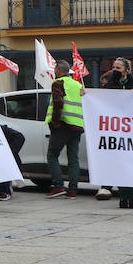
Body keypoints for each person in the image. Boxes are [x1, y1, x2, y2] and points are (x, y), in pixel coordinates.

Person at [96, 57, 133, 207]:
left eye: (118, 68)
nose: (115, 70)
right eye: (114, 67)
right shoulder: (110, 83)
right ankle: (123, 196)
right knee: (120, 164)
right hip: (116, 131)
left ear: (127, 71)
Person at [45, 59, 84, 199]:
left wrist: (55, 123)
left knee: (52, 155)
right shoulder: (78, 85)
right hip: (77, 125)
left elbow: (58, 102)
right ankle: (73, 190)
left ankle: (58, 186)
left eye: (55, 69)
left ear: (58, 71)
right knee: (73, 158)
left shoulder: (58, 83)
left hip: (63, 125)